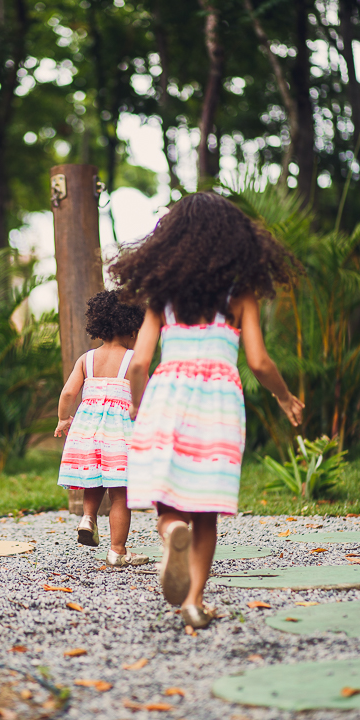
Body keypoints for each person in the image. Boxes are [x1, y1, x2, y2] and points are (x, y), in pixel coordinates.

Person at [109, 191, 304, 627]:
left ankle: (169, 534)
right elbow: (259, 361)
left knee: (168, 499)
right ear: (234, 241)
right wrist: (285, 397)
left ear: (172, 239)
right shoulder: (241, 294)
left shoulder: (163, 296)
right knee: (206, 510)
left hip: (167, 396)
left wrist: (140, 408)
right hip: (217, 404)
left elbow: (139, 362)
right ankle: (194, 601)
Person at [54, 290, 149, 568]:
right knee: (120, 493)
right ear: (132, 327)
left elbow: (68, 393)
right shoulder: (133, 359)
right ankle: (117, 551)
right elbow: (144, 394)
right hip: (119, 434)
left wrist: (63, 419)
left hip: (87, 431)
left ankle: (88, 518)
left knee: (92, 480)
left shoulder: (87, 359)